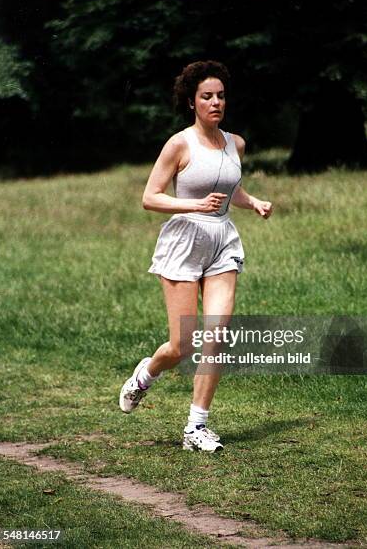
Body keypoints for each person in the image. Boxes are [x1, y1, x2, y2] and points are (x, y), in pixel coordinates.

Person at [119, 60, 273, 452]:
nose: (216, 102)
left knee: (216, 336)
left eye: (221, 96)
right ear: (192, 102)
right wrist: (194, 206)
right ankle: (145, 375)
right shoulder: (179, 144)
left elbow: (229, 188)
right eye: (207, 97)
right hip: (184, 243)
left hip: (222, 241)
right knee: (181, 346)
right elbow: (149, 197)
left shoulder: (235, 143)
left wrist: (251, 201)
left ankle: (195, 428)